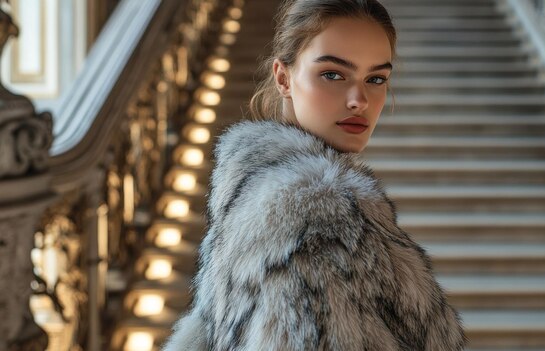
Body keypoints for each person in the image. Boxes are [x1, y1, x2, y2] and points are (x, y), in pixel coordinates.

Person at [163, 0, 466, 349]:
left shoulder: (252, 195)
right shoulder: (317, 215)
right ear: (283, 77)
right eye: (333, 75)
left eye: (376, 78)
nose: (359, 99)